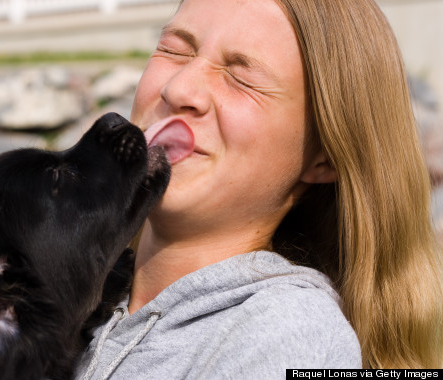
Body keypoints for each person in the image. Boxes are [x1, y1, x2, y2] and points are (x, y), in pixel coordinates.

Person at [74, 0, 443, 376]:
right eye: (174, 50)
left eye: (241, 78)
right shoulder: (70, 290)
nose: (178, 88)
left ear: (325, 159)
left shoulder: (287, 332)